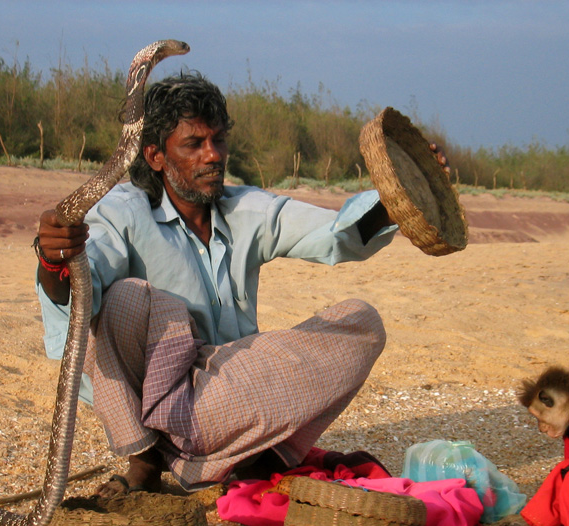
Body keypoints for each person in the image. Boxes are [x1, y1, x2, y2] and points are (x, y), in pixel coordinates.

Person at [35, 71, 439, 497]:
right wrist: (52, 260)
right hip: (154, 406)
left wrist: (403, 195)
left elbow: (333, 232)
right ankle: (146, 463)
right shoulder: (120, 212)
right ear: (155, 156)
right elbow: (79, 291)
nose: (213, 156)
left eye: (219, 141)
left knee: (362, 323)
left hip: (223, 398)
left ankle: (252, 459)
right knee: (125, 298)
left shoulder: (244, 207)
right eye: (194, 144)